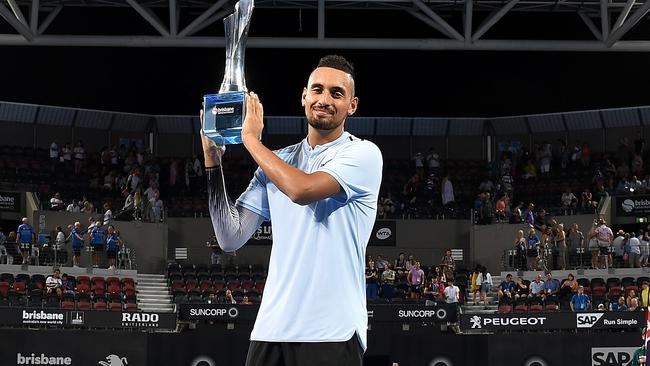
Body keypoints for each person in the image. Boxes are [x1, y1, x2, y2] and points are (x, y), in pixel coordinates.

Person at [204, 56, 381, 366]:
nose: (324, 99)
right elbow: (229, 237)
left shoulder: (363, 154)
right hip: (271, 328)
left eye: (336, 93)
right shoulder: (279, 162)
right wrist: (212, 163)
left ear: (352, 105)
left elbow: (302, 190)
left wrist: (249, 139)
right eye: (318, 90)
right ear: (304, 97)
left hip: (332, 330)